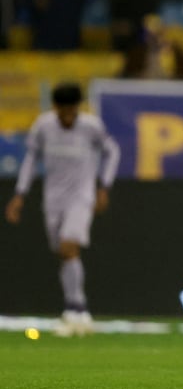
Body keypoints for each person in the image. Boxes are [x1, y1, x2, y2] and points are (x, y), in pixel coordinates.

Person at [4, 82, 120, 336]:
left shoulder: (91, 127)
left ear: (78, 108)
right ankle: (74, 310)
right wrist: (20, 194)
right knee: (64, 253)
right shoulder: (43, 126)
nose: (67, 115)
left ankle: (77, 309)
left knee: (69, 246)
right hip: (53, 198)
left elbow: (112, 151)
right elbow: (31, 159)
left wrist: (104, 186)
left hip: (81, 196)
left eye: (72, 109)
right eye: (62, 110)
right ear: (55, 107)